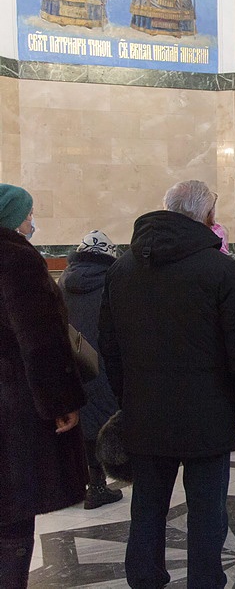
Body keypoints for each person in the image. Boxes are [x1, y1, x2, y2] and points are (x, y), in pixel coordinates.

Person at [99, 180, 235, 588]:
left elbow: (110, 345)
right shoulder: (221, 270)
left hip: (146, 412)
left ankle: (144, 579)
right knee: (208, 510)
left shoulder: (122, 269)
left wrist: (130, 396)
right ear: (208, 218)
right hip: (207, 415)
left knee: (147, 506)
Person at [0, 184, 87, 588]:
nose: (32, 222)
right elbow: (39, 339)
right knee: (15, 509)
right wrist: (60, 402)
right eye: (28, 213)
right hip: (13, 404)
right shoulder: (16, 258)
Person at [58, 230, 123, 510]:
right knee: (106, 418)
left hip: (73, 362)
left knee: (82, 418)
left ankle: (87, 482)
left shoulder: (62, 281)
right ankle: (101, 484)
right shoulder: (113, 281)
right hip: (104, 360)